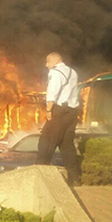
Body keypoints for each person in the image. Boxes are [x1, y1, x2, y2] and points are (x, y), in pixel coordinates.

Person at [36, 52, 81, 185]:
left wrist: (49, 109)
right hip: (72, 112)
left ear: (55, 61)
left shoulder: (55, 72)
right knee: (67, 145)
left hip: (59, 111)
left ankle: (38, 175)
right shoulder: (73, 72)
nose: (46, 65)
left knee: (46, 141)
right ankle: (75, 178)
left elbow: (53, 92)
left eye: (47, 62)